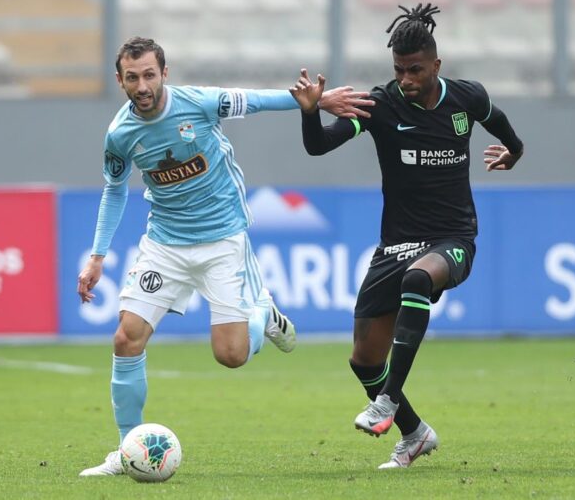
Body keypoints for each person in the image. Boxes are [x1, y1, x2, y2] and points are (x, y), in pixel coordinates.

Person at [77, 36, 370, 476]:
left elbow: (257, 101)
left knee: (231, 355)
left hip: (222, 241)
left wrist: (315, 103)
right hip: (165, 243)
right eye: (132, 77)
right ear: (120, 80)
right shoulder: (120, 134)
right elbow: (115, 190)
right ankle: (126, 449)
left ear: (164, 73)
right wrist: (98, 256)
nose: (142, 86)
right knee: (126, 338)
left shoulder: (198, 103)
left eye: (150, 75)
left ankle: (263, 315)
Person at [290, 3, 524, 469]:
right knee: (363, 360)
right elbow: (318, 146)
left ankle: (389, 400)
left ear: (436, 64)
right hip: (396, 245)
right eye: (399, 70)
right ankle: (415, 433)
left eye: (415, 70)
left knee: (418, 279)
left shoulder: (467, 98)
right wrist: (310, 113)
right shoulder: (381, 106)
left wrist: (514, 152)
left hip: (453, 238)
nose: (406, 79)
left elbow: (499, 122)